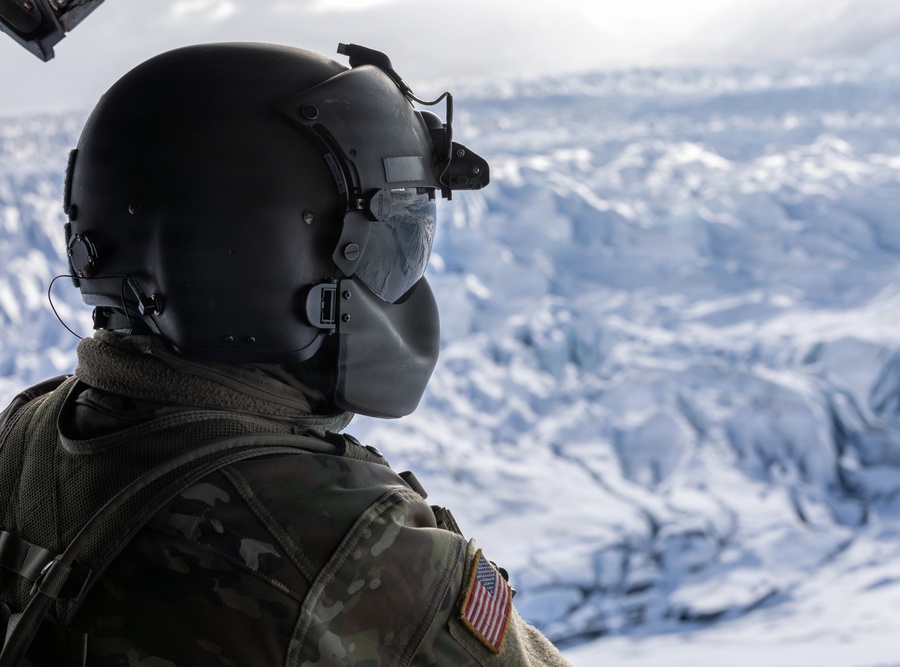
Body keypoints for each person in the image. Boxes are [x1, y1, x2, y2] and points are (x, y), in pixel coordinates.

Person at [0, 42, 572, 666]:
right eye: (383, 245)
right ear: (263, 255)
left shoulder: (24, 434)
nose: (399, 282)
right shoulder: (349, 549)